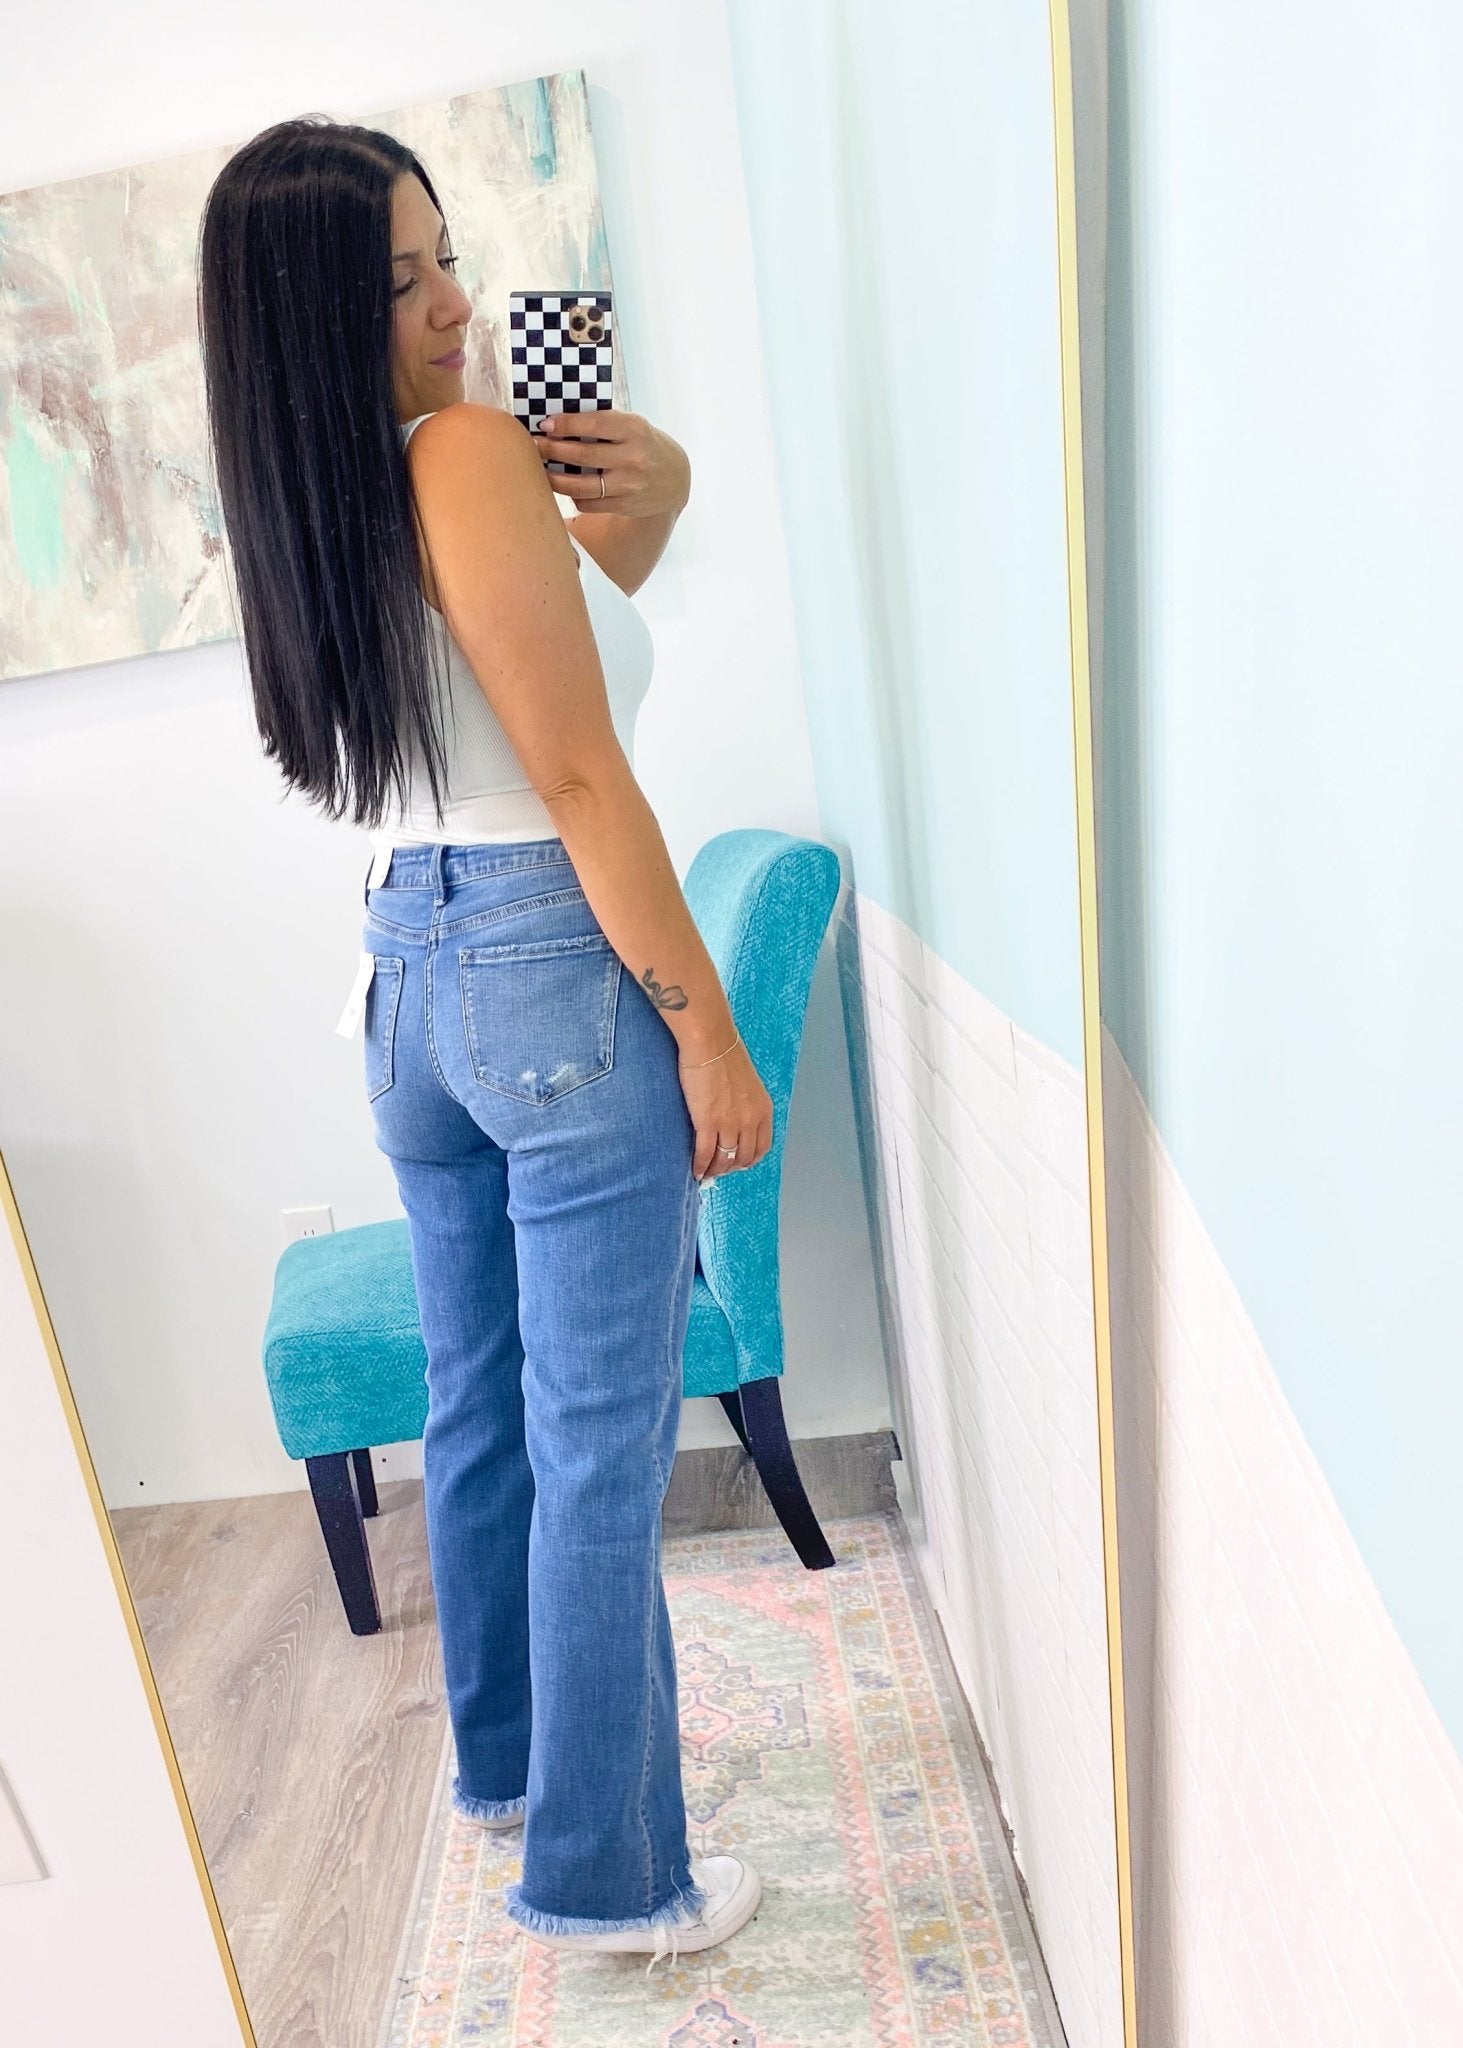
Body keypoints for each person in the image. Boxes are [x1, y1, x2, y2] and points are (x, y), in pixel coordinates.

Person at [197, 114, 771, 1965]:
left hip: (407, 968)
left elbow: (573, 629)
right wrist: (706, 1030)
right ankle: (613, 1881)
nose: (454, 304)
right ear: (314, 316)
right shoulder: (461, 454)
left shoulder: (322, 488)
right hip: (544, 961)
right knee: (598, 1440)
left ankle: (516, 1770)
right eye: (401, 281)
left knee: (481, 1406)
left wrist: (654, 493)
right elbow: (581, 769)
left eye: (447, 256)